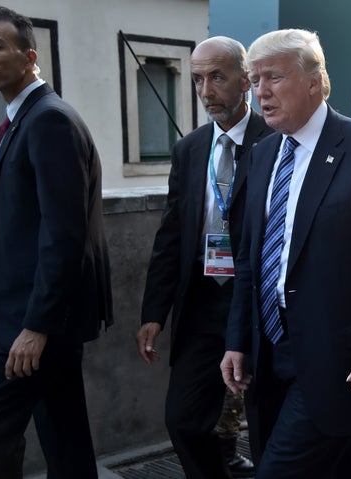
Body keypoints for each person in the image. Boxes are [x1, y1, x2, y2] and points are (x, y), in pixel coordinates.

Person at [220, 29, 351, 478]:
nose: (260, 92)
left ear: (315, 81)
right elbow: (251, 259)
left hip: (338, 360)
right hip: (271, 355)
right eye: (254, 80)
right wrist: (238, 339)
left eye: (272, 77)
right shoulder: (262, 154)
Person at [0, 6, 113, 478]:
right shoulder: (25, 117)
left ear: (29, 57)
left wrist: (37, 327)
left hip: (41, 323)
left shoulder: (48, 120)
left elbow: (63, 236)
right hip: (41, 318)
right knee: (63, 435)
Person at [137, 36, 271, 478]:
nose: (206, 91)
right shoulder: (189, 149)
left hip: (257, 303)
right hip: (201, 302)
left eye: (217, 77)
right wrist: (155, 311)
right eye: (197, 79)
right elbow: (172, 233)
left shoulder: (275, 141)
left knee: (266, 422)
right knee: (183, 420)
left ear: (246, 79)